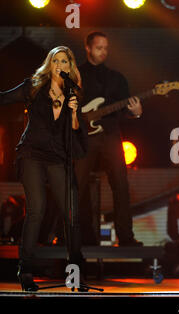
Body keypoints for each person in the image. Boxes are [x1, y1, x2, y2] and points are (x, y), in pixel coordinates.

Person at [0, 46, 87, 291]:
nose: (60, 65)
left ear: (71, 66)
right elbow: (4, 97)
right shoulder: (34, 86)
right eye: (56, 60)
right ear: (50, 64)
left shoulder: (74, 93)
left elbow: (76, 132)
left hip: (58, 155)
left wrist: (73, 113)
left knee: (71, 212)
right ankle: (25, 269)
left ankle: (76, 272)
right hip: (32, 154)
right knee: (37, 209)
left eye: (65, 61)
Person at [75, 31, 143, 246]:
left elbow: (125, 108)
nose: (103, 52)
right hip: (83, 137)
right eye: (98, 47)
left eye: (106, 48)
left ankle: (126, 236)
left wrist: (137, 112)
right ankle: (81, 236)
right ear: (88, 48)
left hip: (111, 135)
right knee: (78, 186)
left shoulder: (116, 78)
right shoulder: (75, 75)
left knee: (121, 184)